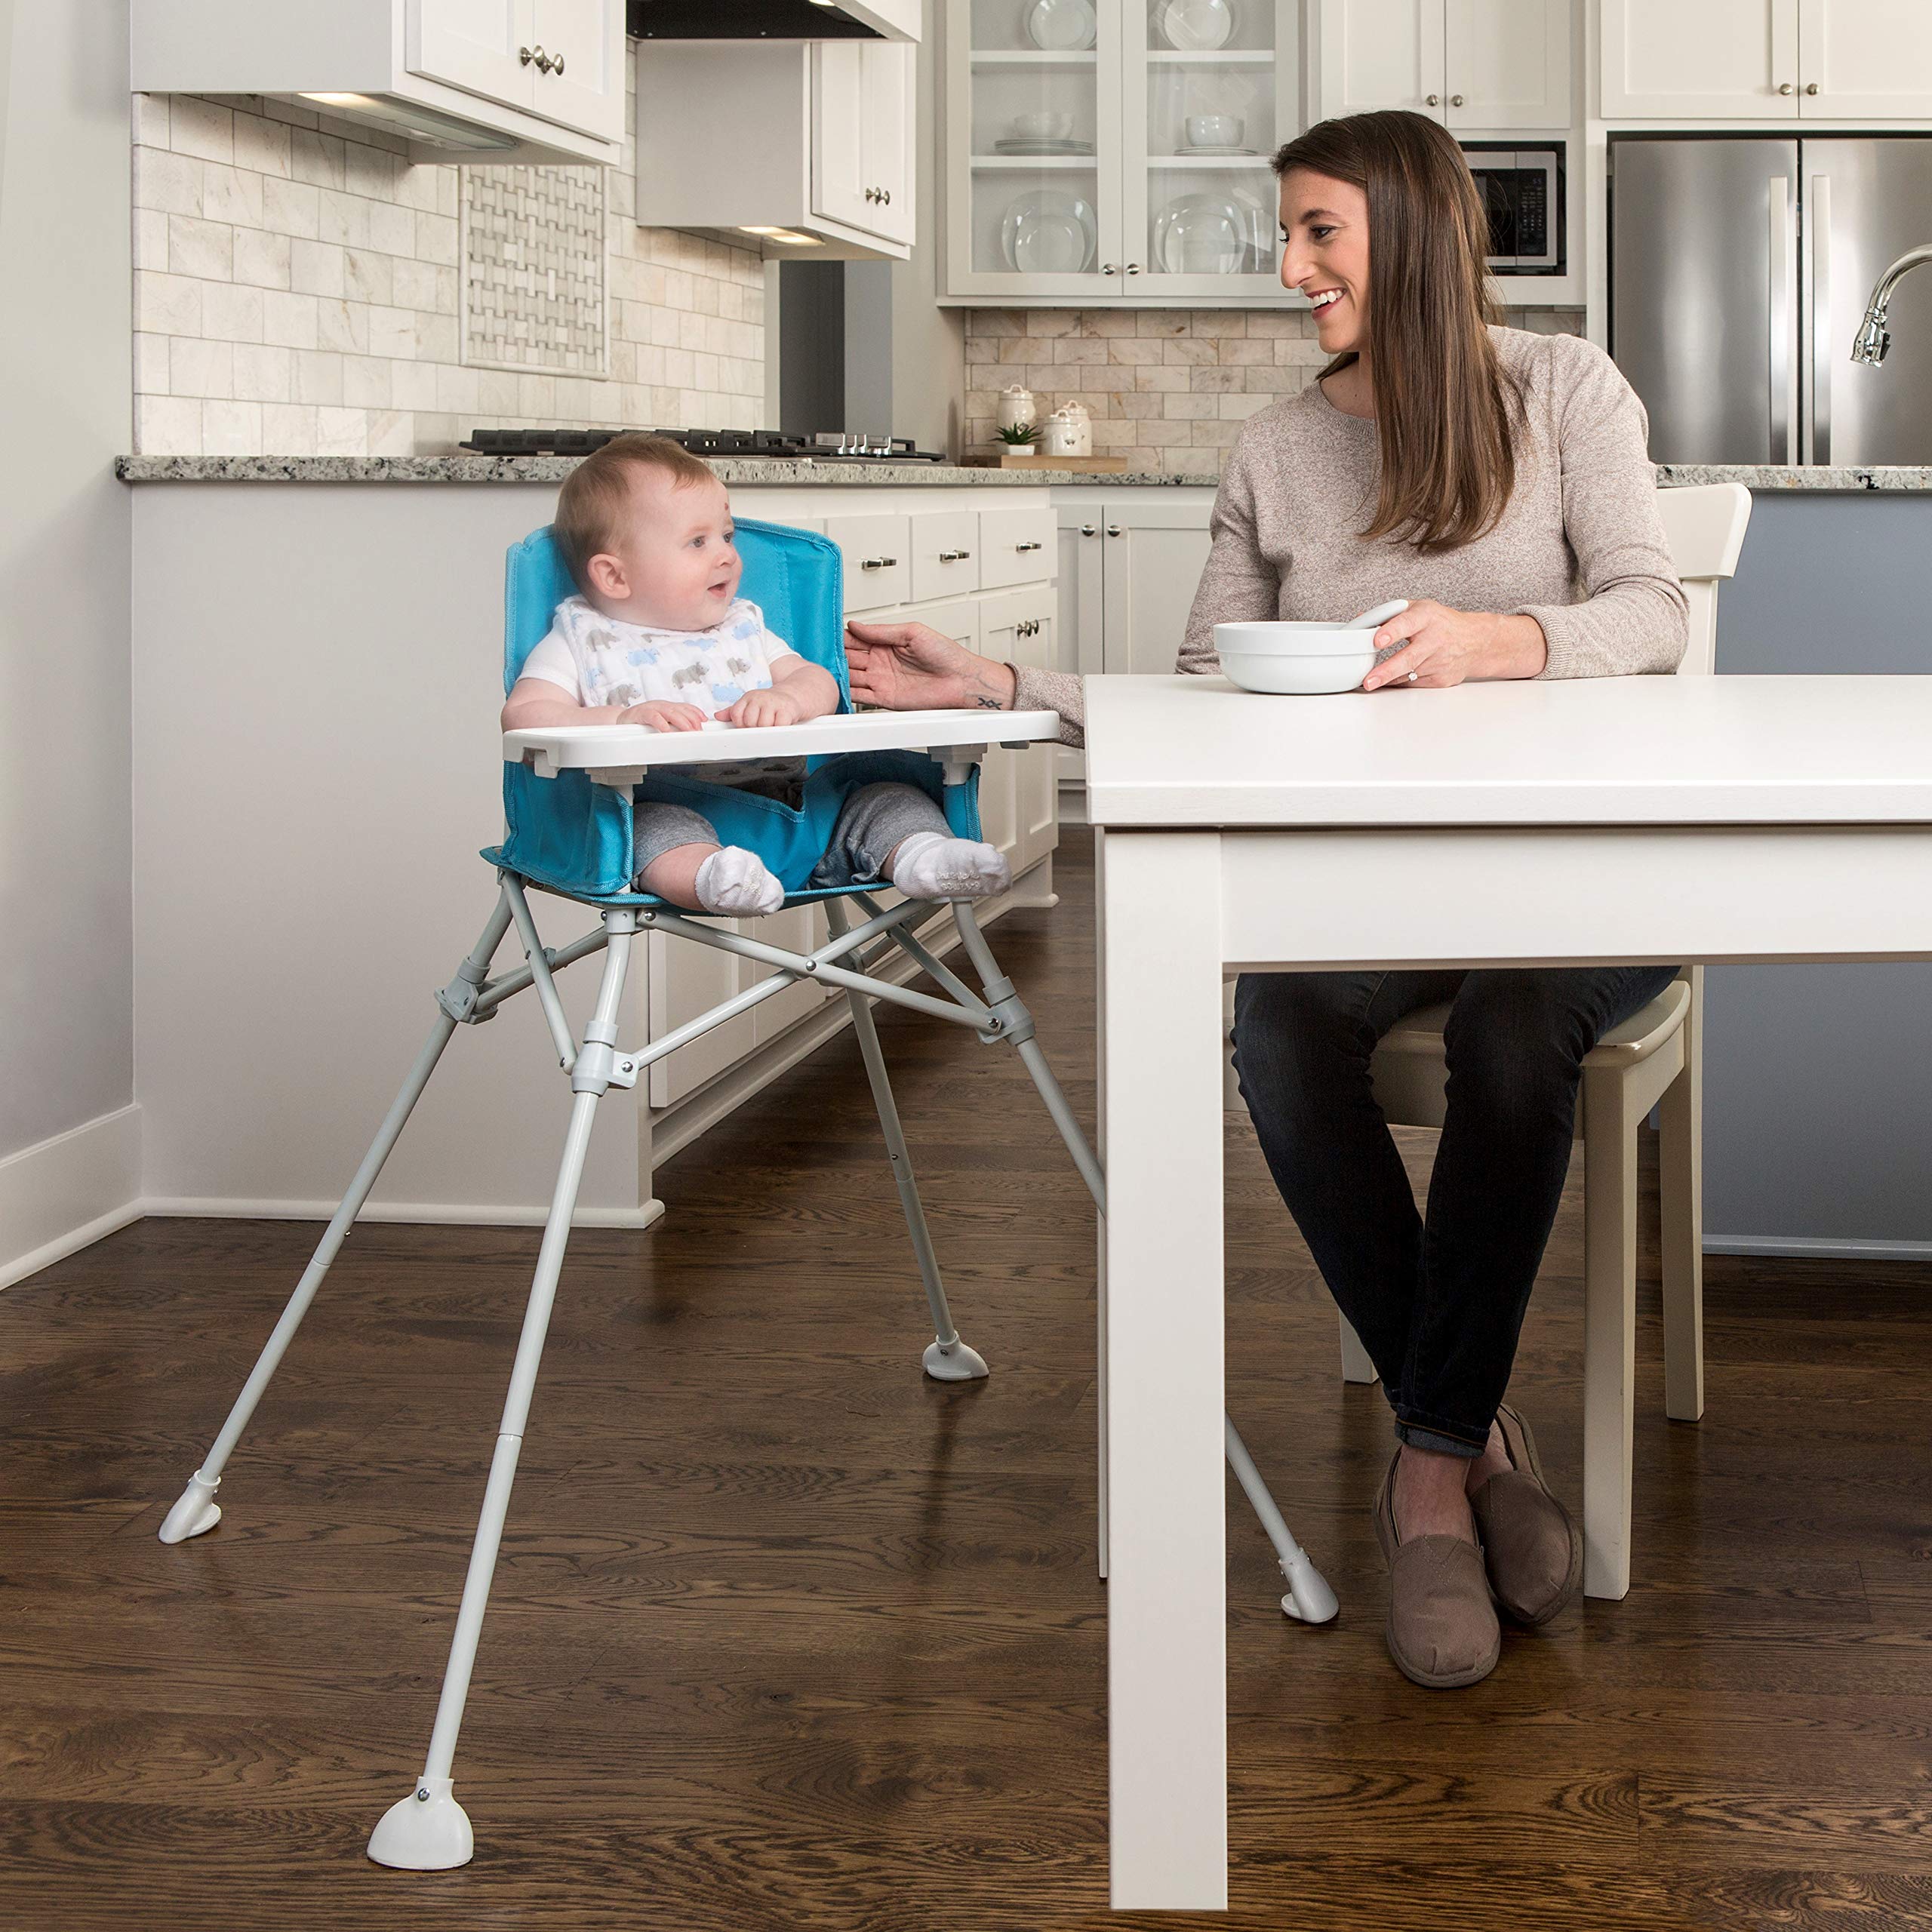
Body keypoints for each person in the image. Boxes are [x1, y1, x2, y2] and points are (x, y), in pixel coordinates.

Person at [844, 111, 1687, 1690]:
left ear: (1409, 233)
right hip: (1370, 883)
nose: (1285, 266)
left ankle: (1423, 1472)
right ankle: (1481, 1442)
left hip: (1582, 861)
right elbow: (1193, 690)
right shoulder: (1275, 449)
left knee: (1517, 1030)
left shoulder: (1564, 388)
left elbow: (1648, 609)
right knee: (1279, 1025)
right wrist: (1002, 680)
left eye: (1316, 232)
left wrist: (1495, 639)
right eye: (1283, 233)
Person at [503, 434, 1011, 914]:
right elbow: (524, 714)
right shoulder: (581, 641)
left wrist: (790, 698)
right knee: (651, 831)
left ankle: (929, 857)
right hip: (669, 806)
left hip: (802, 814)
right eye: (697, 542)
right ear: (614, 575)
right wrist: (624, 718)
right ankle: (714, 879)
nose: (726, 553)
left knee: (887, 799)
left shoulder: (743, 628)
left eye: (725, 536)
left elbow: (819, 681)